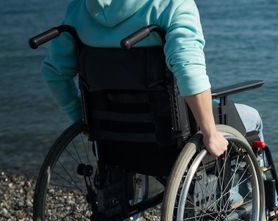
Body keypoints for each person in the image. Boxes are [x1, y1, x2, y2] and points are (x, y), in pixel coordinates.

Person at [42, 0, 264, 157]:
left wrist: (81, 118)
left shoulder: (79, 8)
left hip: (109, 130)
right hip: (168, 131)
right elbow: (188, 69)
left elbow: (55, 72)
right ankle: (255, 207)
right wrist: (210, 132)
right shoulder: (172, 4)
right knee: (252, 117)